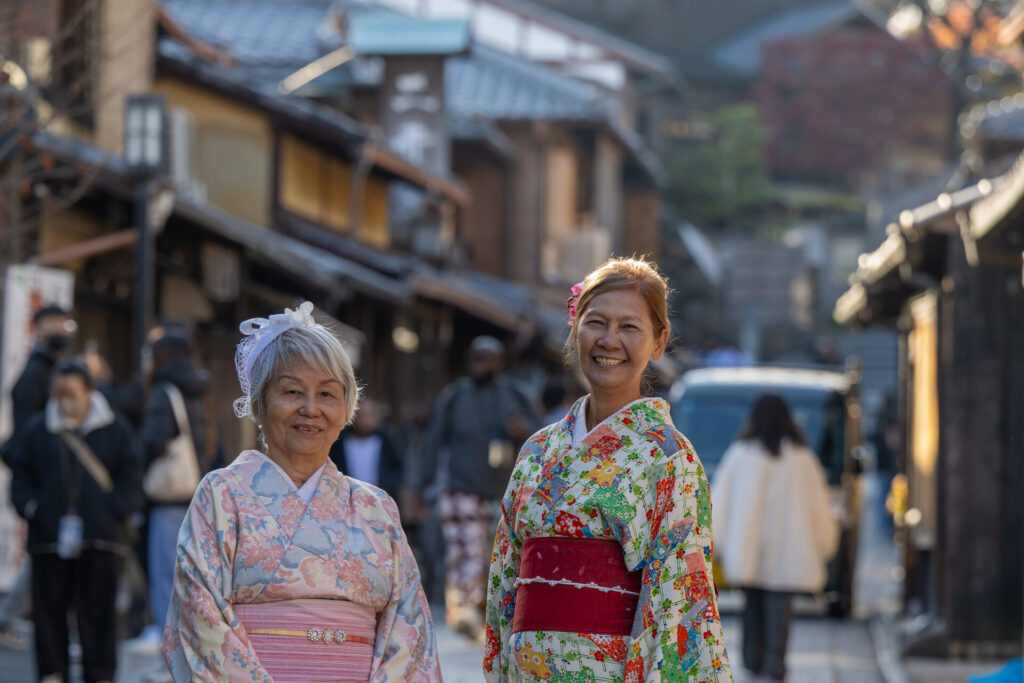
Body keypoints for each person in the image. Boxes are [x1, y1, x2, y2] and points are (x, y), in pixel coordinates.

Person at [162, 302, 440, 682]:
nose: (311, 409)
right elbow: (200, 615)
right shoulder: (221, 495)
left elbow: (411, 631)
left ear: (346, 410)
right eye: (292, 391)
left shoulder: (377, 508)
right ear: (258, 406)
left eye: (327, 395)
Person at [484, 258, 732, 682]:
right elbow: (504, 583)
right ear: (575, 328)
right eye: (596, 322)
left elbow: (678, 599)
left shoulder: (668, 457)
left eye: (629, 327)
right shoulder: (537, 451)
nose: (609, 340)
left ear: (658, 342)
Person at [8, 360, 142, 683]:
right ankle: (52, 673)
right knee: (48, 613)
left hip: (100, 538)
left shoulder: (116, 428)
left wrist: (115, 509)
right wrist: (31, 508)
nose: (64, 400)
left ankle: (100, 675)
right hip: (49, 538)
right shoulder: (39, 429)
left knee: (99, 615)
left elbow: (132, 474)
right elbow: (20, 474)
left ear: (88, 392)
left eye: (71, 393)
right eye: (59, 393)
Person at [417, 335, 540, 640]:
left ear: (499, 362)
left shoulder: (517, 395)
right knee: (467, 552)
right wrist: (421, 486)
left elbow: (544, 437)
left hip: (506, 491)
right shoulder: (455, 397)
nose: (478, 363)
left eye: (485, 358)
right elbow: (432, 442)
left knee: (501, 556)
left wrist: (522, 431)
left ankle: (496, 616)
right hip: (461, 487)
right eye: (474, 357)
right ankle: (464, 613)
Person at [710, 393, 838, 682]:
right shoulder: (803, 458)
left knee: (751, 608)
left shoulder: (740, 454)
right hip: (788, 553)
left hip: (749, 551)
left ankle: (753, 661)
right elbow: (819, 507)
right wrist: (824, 544)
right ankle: (774, 665)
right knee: (781, 612)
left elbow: (721, 503)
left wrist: (715, 541)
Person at [131, 333, 210, 653]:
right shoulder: (199, 389)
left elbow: (153, 441)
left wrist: (136, 467)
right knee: (184, 568)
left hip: (168, 496)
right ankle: (181, 632)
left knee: (164, 567)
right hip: (193, 491)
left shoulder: (166, 392)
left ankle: (166, 633)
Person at [328, 396, 403, 501]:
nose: (365, 420)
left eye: (369, 415)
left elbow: (397, 468)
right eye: (362, 415)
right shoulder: (340, 442)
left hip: (379, 499)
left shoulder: (385, 440)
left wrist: (388, 486)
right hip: (348, 499)